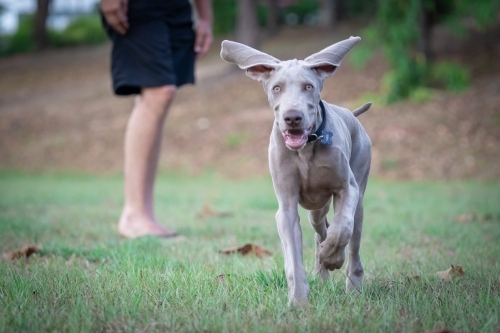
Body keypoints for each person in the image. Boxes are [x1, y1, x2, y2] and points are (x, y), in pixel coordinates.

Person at [100, 0, 213, 238]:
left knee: (158, 97)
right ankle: (133, 214)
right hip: (134, 6)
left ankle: (144, 214)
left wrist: (205, 16)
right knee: (159, 91)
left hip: (176, 7)